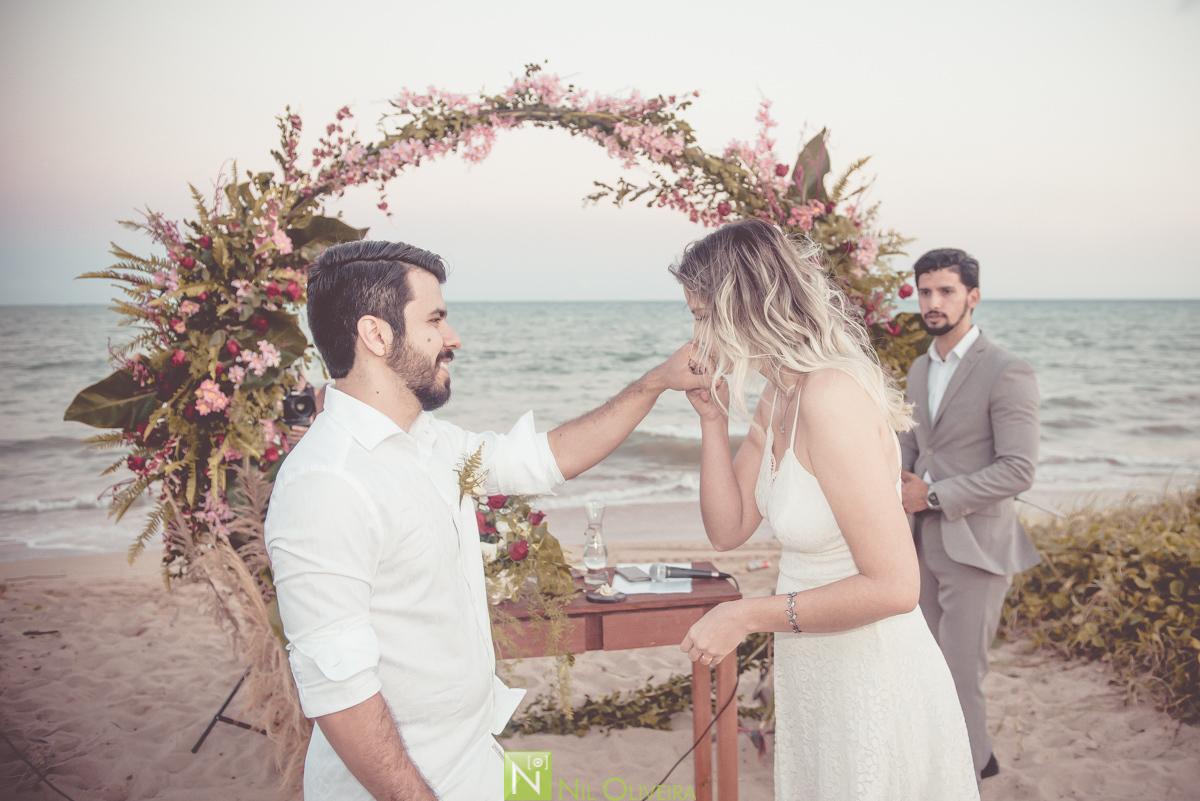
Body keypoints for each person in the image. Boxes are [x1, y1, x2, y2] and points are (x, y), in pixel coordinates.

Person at [263, 240, 703, 801]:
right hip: (401, 782)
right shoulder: (326, 483)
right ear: (376, 335)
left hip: (476, 756)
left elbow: (544, 458)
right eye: (436, 319)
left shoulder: (430, 441)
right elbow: (340, 693)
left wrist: (655, 383)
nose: (453, 338)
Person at [672, 220, 979, 800]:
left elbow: (895, 586)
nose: (696, 334)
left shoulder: (829, 395)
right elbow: (728, 528)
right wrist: (713, 420)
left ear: (745, 307)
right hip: (816, 669)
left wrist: (744, 615)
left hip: (871, 671)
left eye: (703, 314)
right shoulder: (779, 394)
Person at [898, 247, 1041, 781]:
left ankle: (974, 773)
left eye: (946, 291)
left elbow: (1018, 469)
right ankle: (948, 768)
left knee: (962, 675)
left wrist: (931, 496)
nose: (933, 302)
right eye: (925, 291)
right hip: (920, 544)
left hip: (976, 546)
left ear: (972, 298)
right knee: (927, 670)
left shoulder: (1007, 370)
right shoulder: (918, 366)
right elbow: (913, 447)